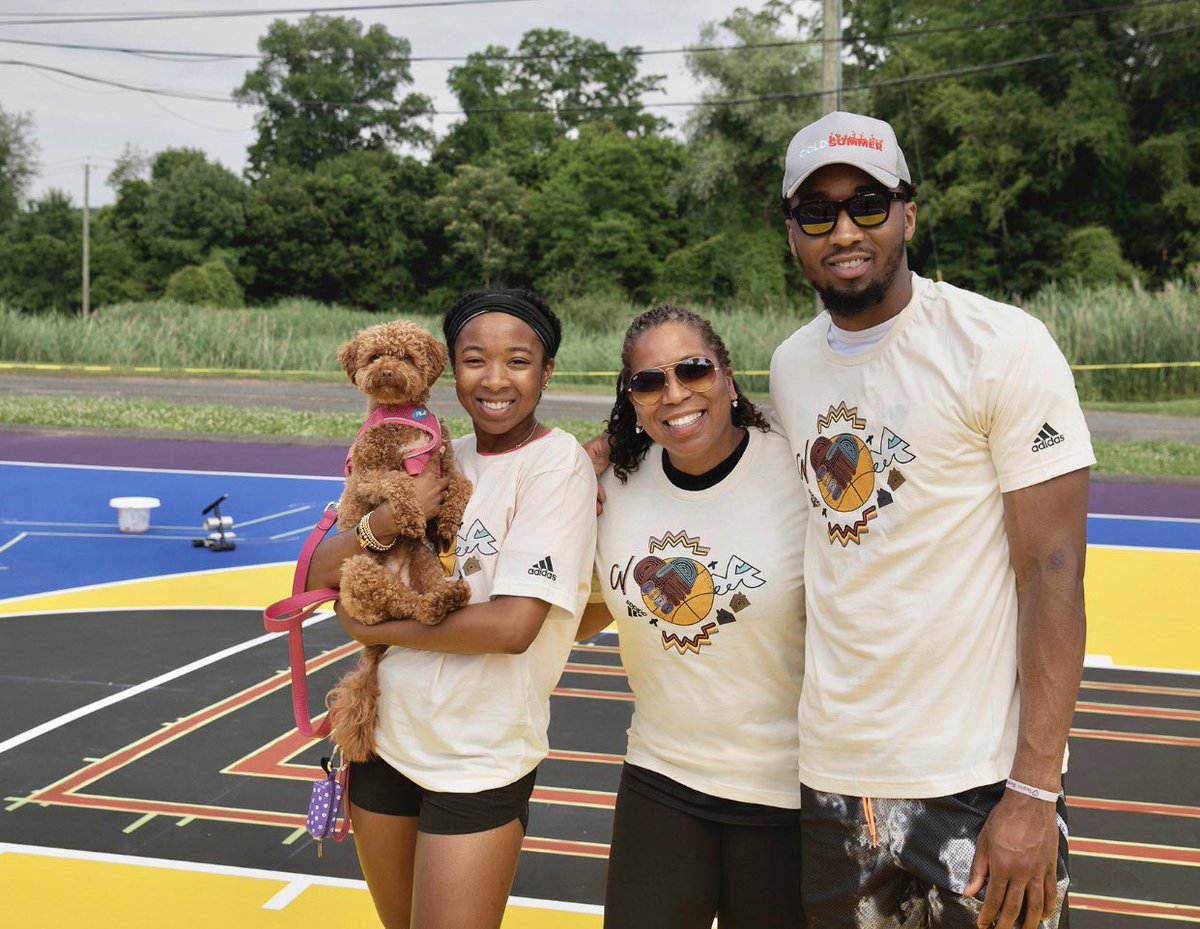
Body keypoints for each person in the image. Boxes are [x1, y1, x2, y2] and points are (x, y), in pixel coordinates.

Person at [770, 111, 1094, 929]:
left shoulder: (1000, 346)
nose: (844, 229)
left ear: (909, 213)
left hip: (979, 781)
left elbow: (1053, 572)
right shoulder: (791, 365)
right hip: (836, 779)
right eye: (819, 211)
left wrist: (1032, 789)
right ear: (793, 232)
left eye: (868, 204)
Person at [305, 288, 598, 929]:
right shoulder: (435, 454)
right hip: (384, 742)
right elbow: (315, 569)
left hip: (478, 757)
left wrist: (367, 625)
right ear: (450, 370)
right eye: (475, 359)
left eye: (517, 361)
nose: (495, 380)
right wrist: (382, 523)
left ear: (546, 372)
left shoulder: (555, 465)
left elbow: (512, 626)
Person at [577, 304, 808, 929]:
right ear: (630, 398)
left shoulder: (796, 472)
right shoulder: (612, 485)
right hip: (662, 777)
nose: (673, 394)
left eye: (693, 370)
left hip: (788, 791)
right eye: (648, 382)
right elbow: (580, 613)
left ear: (728, 377)